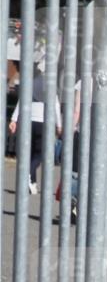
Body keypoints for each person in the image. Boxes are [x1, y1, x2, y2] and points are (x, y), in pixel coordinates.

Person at [8, 62, 61, 195]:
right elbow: (55, 105)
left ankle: (32, 183)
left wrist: (14, 119)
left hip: (28, 121)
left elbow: (22, 101)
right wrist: (59, 124)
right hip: (43, 122)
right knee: (41, 153)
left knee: (30, 152)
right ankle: (28, 175)